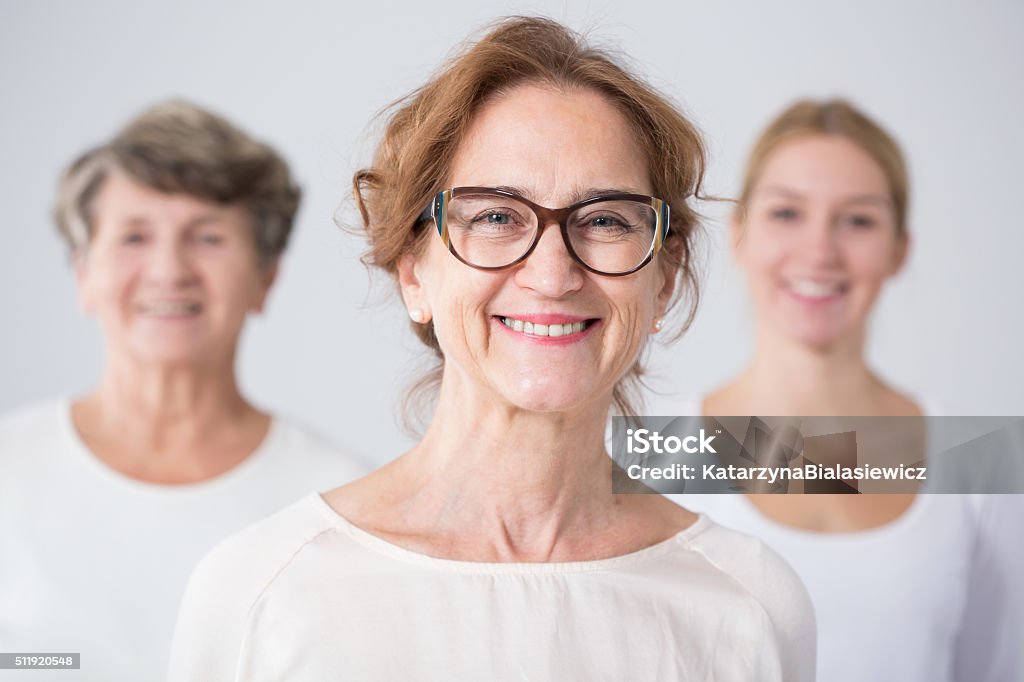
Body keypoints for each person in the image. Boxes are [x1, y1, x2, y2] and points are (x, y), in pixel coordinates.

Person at [169, 17, 815, 681]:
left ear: (665, 277)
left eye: (605, 221)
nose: (553, 274)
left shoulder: (748, 606)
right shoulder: (265, 592)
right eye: (497, 217)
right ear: (414, 271)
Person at [0, 100, 366, 681]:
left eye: (208, 237)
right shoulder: (9, 471)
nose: (168, 270)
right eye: (134, 237)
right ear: (82, 274)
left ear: (266, 277)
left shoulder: (340, 501)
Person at [662, 99, 1024, 681]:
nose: (820, 251)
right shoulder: (650, 454)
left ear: (899, 249)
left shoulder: (978, 458)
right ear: (739, 235)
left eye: (858, 219)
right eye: (786, 213)